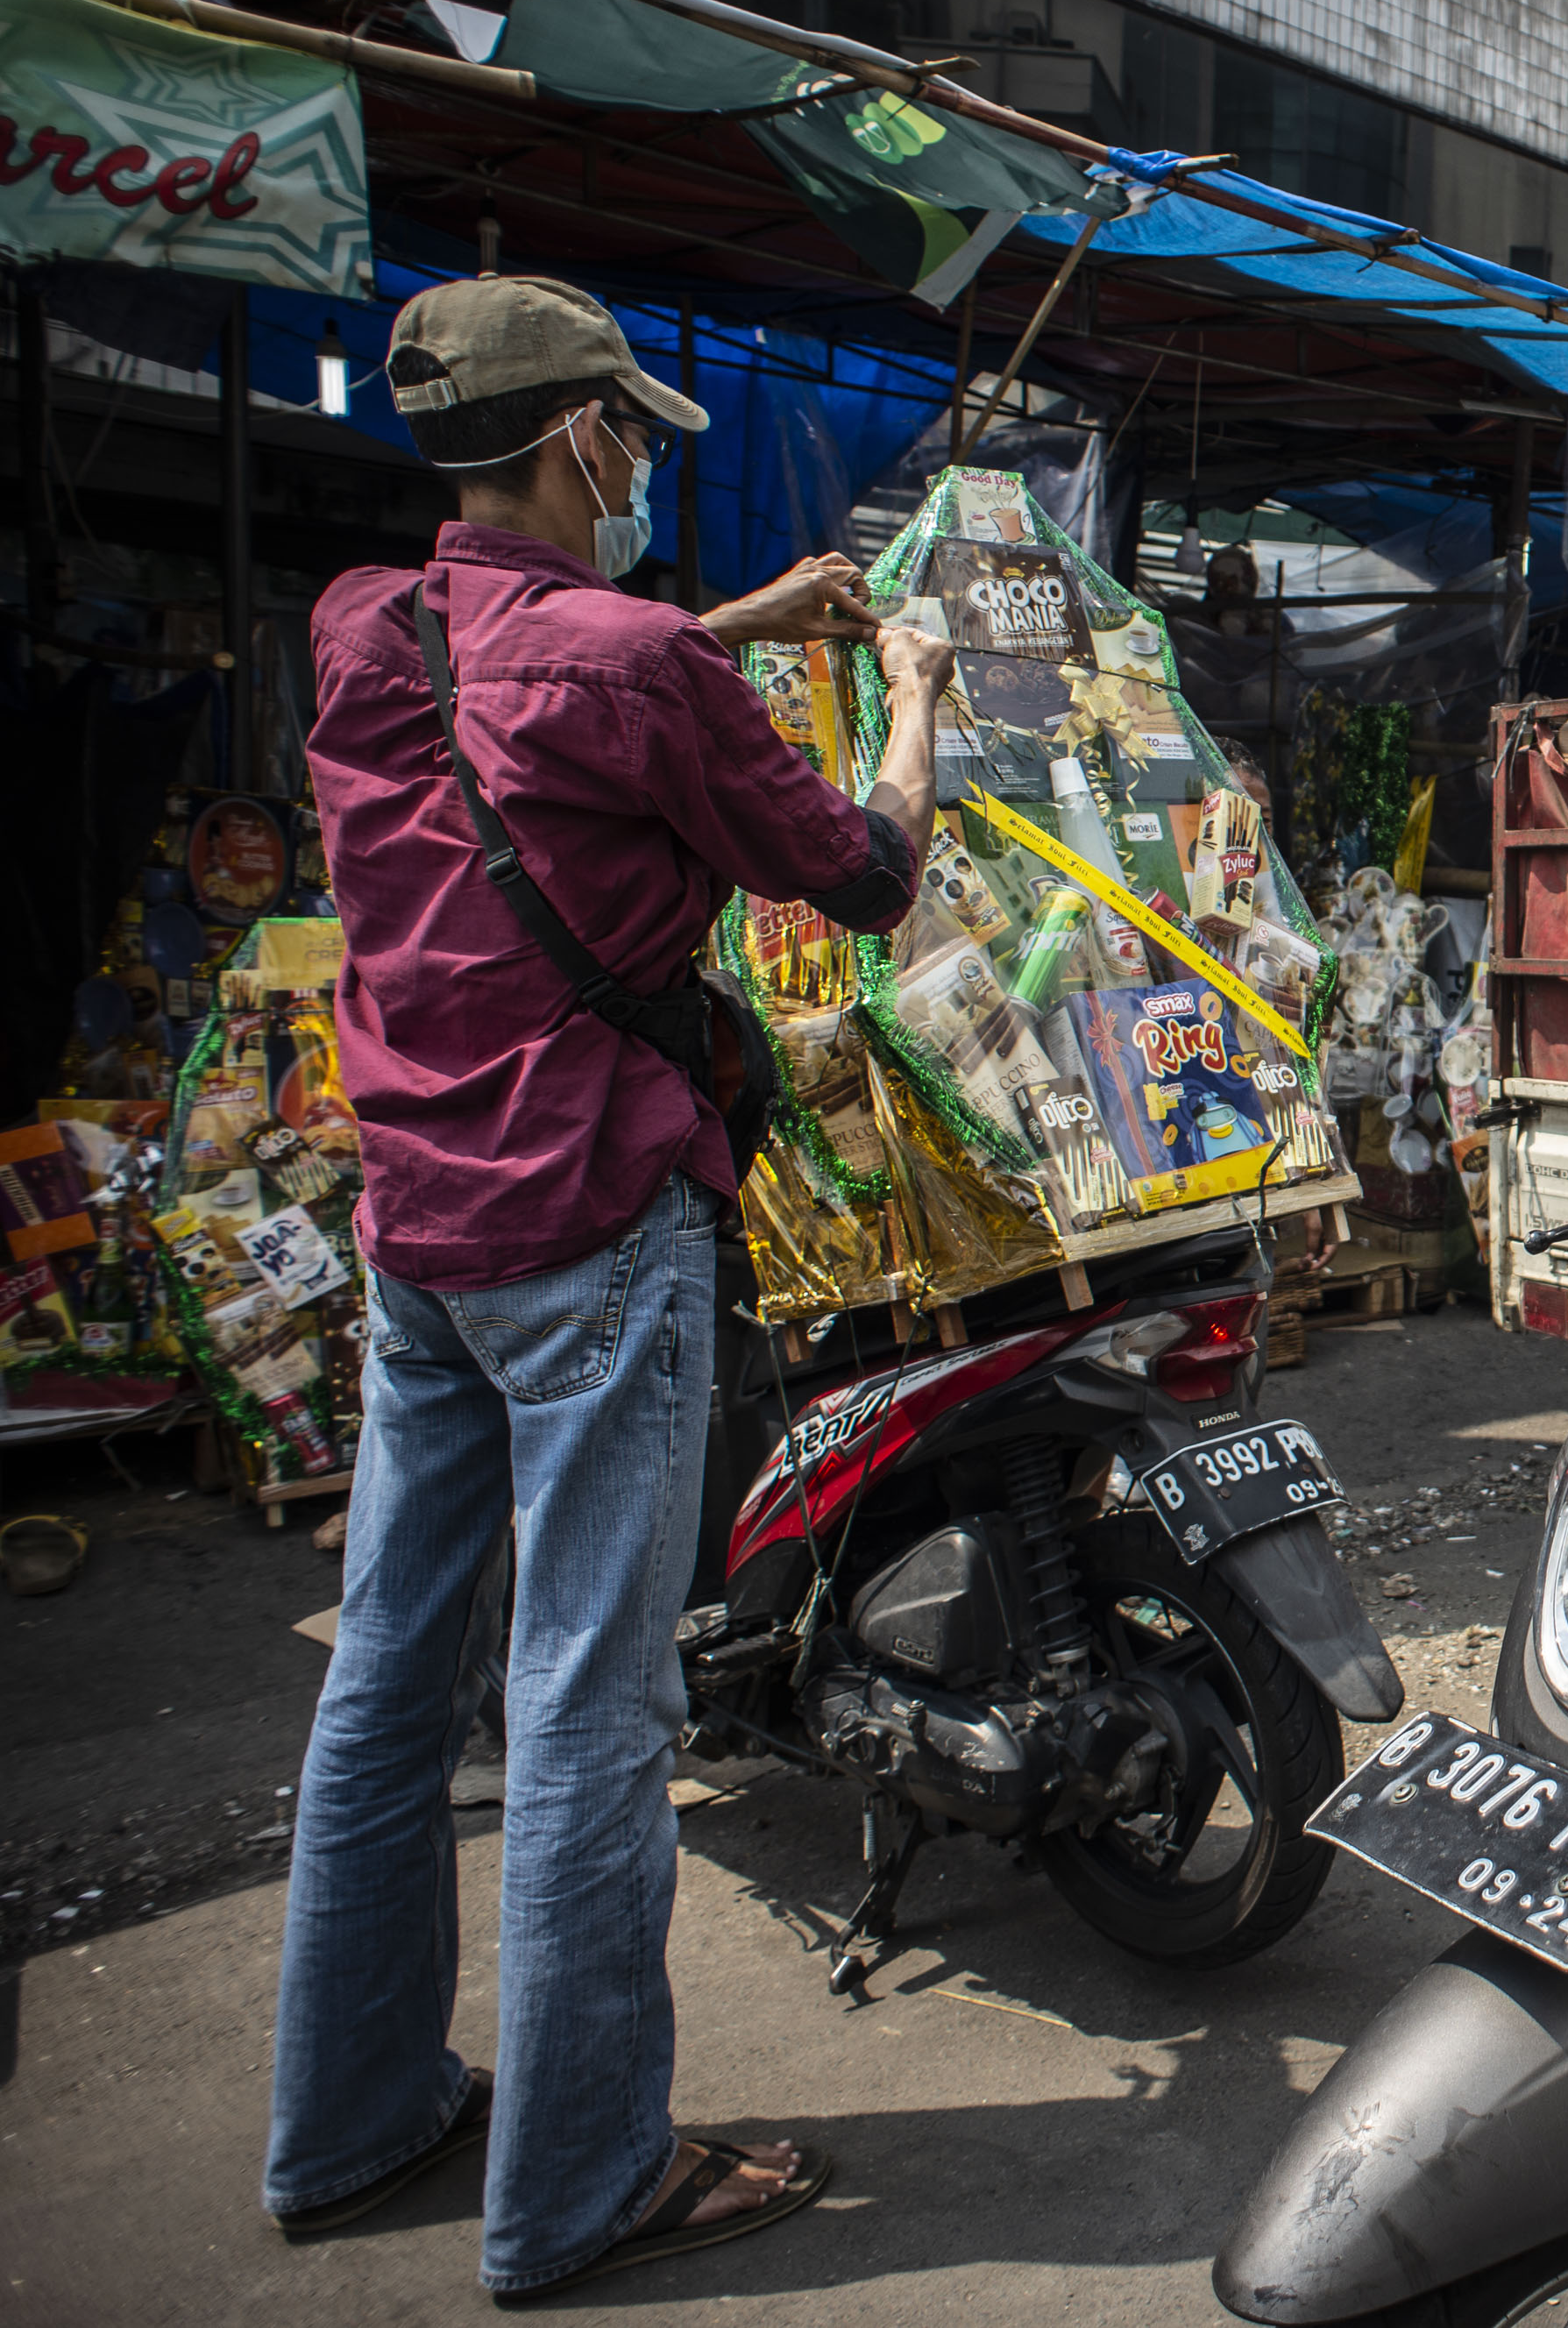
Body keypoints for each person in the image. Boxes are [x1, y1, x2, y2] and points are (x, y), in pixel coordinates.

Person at [262, 276, 953, 2301]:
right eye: (631, 436)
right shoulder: (638, 662)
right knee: (586, 1711)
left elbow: (529, 698)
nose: (643, 462)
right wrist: (908, 696)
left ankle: (347, 2122)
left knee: (386, 1684)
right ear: (578, 442)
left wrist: (737, 630)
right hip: (589, 1235)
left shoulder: (357, 628)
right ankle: (579, 2182)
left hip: (422, 1245)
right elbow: (864, 869)